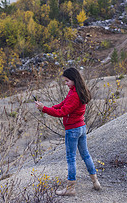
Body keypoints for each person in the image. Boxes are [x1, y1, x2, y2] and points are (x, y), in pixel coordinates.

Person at [35, 67, 101, 196]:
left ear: (73, 80)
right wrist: (46, 107)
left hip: (73, 130)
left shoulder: (74, 94)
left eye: (67, 81)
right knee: (86, 155)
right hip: (81, 127)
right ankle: (95, 182)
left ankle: (70, 188)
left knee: (71, 158)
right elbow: (63, 104)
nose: (65, 83)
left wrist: (45, 109)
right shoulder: (78, 91)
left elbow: (62, 112)